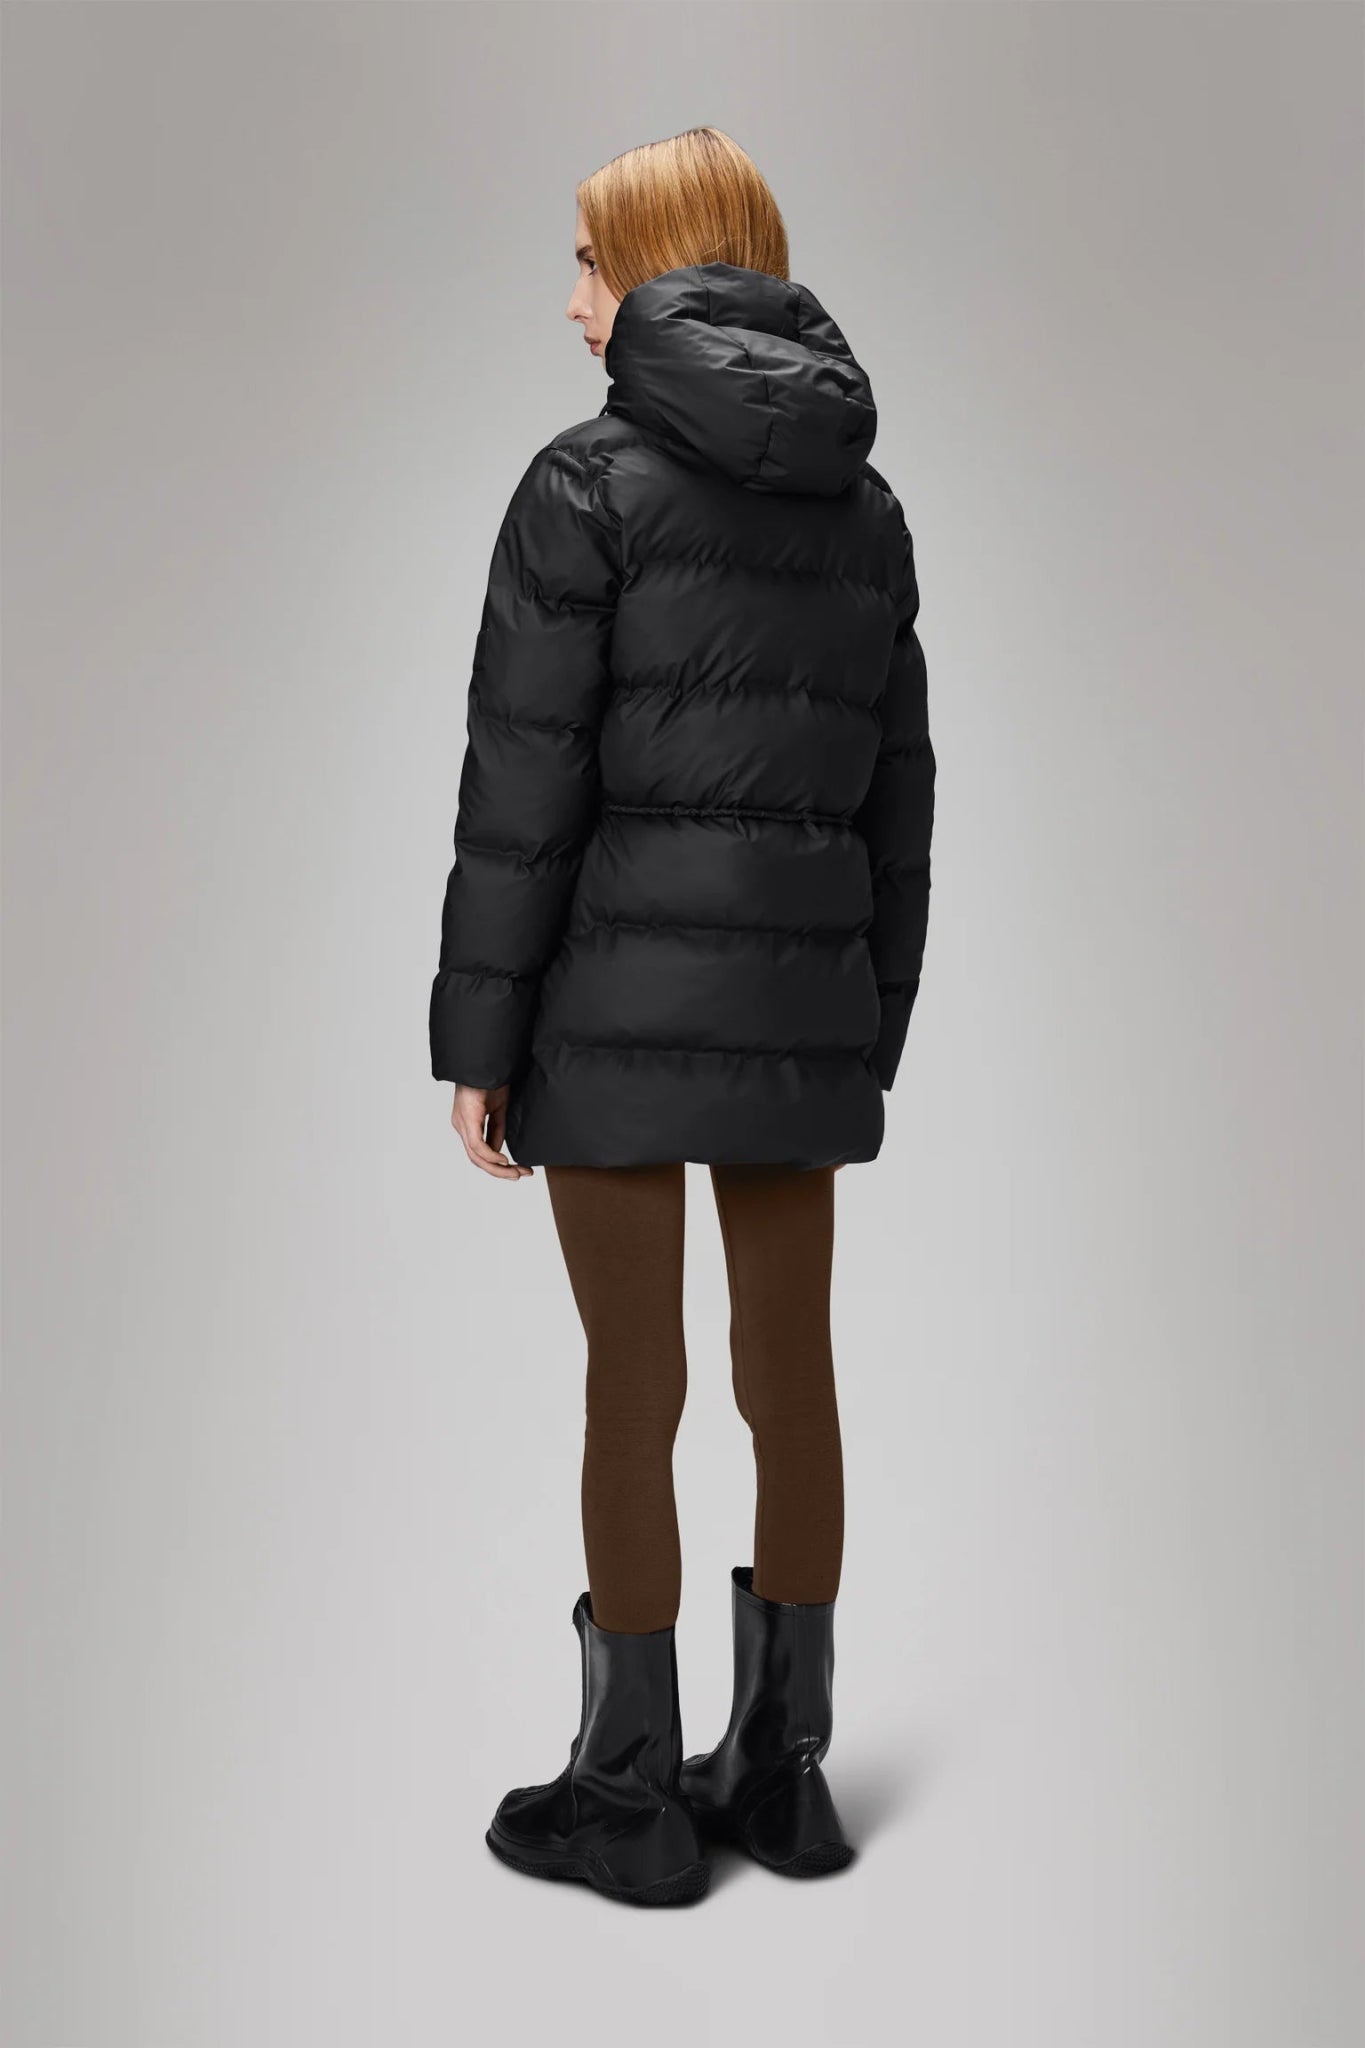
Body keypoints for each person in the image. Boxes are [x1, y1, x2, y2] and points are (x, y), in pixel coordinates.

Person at [429, 126, 934, 1907]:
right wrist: (866, 1028)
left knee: (630, 1384)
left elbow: (522, 787)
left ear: (655, 265)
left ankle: (630, 1799)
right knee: (791, 1375)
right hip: (800, 1013)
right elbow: (898, 799)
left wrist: (478, 1041)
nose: (569, 302)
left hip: (609, 1014)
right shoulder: (864, 505)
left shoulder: (583, 486)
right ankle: (784, 1780)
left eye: (587, 262)